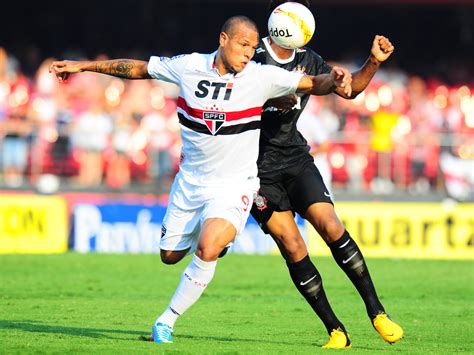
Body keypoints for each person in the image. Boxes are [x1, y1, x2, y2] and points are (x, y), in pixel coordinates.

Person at [50, 16, 352, 345]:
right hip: (191, 182)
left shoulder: (260, 77)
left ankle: (166, 321)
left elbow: (311, 85)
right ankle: (215, 240)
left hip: (236, 184)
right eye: (243, 45)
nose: (249, 53)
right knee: (169, 255)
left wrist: (331, 79)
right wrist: (82, 66)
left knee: (208, 247)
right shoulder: (189, 67)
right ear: (223, 39)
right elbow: (136, 68)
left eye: (253, 47)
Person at [248, 0, 403, 348]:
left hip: (295, 160)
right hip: (254, 173)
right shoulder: (251, 60)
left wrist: (373, 62)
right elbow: (231, 104)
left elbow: (348, 89)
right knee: (292, 245)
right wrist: (268, 103)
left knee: (331, 226)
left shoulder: (309, 60)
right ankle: (335, 330)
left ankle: (377, 312)